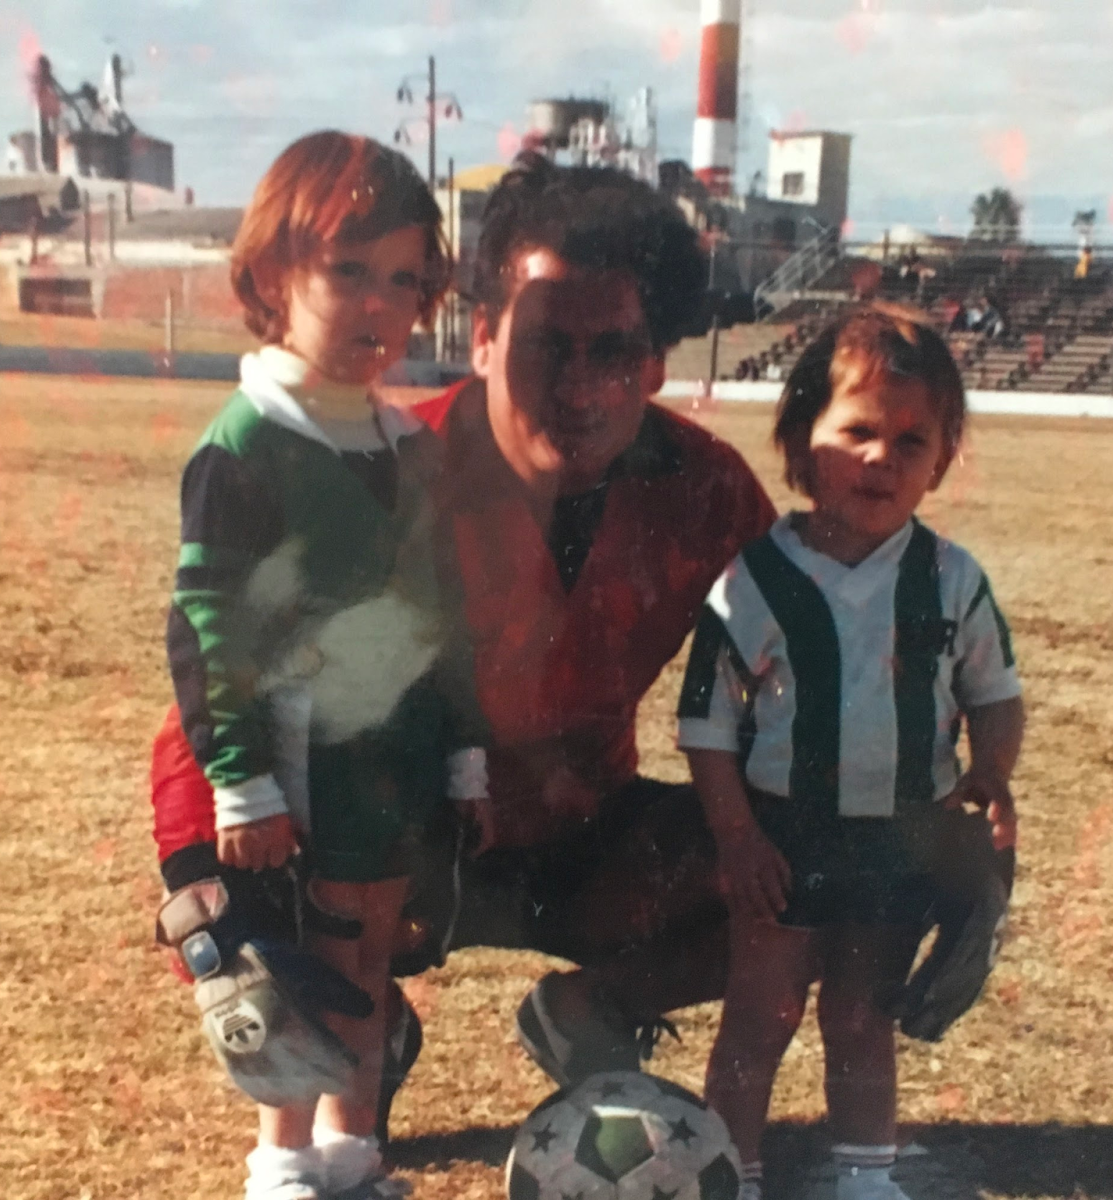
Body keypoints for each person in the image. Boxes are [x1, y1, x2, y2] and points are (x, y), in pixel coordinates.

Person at [150, 155, 778, 1114]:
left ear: (657, 362)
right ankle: (363, 1027)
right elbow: (219, 677)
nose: (581, 387)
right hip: (399, 836)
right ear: (481, 336)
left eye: (615, 351)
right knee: (271, 924)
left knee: (817, 870)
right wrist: (209, 886)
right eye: (547, 345)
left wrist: (930, 826)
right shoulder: (386, 473)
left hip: (582, 832)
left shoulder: (711, 493)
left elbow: (808, 673)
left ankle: (594, 1009)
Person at [160, 130, 483, 1200]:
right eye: (349, 272)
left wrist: (466, 753)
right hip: (298, 766)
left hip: (391, 760)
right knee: (298, 962)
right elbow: (212, 626)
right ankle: (283, 1161)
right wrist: (241, 780)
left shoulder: (408, 446)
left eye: (403, 281)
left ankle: (353, 1150)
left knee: (370, 962)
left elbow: (444, 615)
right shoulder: (246, 443)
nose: (378, 306)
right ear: (269, 275)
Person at [677, 305, 1024, 1200]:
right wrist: (737, 838)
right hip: (786, 838)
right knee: (760, 1016)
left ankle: (866, 1178)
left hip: (901, 835)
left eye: (913, 440)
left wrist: (991, 773)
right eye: (859, 430)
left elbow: (995, 694)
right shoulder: (754, 579)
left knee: (863, 1017)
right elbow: (708, 727)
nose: (883, 457)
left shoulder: (952, 577)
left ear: (942, 459)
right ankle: (733, 1174)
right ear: (802, 443)